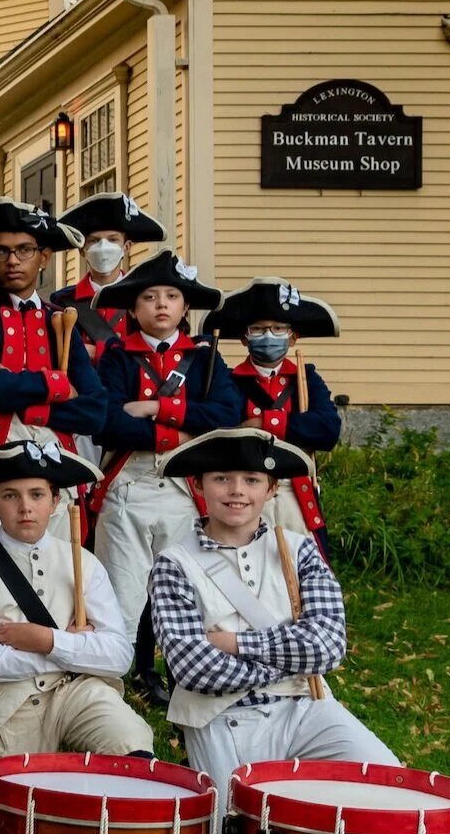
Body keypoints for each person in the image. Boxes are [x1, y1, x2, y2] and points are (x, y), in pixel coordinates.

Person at [146, 428, 395, 785]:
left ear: (272, 488)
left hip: (306, 708)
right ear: (197, 486)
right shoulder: (174, 564)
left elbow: (329, 647)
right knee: (234, 829)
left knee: (387, 780)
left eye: (251, 479)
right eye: (221, 479)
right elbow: (195, 670)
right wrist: (293, 661)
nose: (237, 491)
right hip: (222, 717)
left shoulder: (300, 551)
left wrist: (237, 644)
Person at [0, 439, 153, 762]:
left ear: (55, 501)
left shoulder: (83, 563)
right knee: (20, 800)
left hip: (75, 690)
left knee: (131, 739)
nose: (25, 507)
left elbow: (118, 655)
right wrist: (66, 649)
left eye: (37, 494)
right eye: (10, 496)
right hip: (6, 703)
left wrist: (46, 640)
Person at [88, 251, 236, 626]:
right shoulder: (117, 358)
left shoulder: (205, 359)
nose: (161, 305)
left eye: (170, 296)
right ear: (133, 310)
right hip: (128, 483)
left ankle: (180, 676)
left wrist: (155, 410)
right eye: (149, 297)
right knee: (121, 590)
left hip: (185, 485)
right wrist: (184, 432)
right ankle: (112, 677)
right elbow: (108, 422)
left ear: (185, 306)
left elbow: (226, 415)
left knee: (185, 590)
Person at [0, 201, 106, 465]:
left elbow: (94, 412)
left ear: (44, 257)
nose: (13, 260)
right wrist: (56, 384)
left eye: (24, 250)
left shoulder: (60, 320)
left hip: (57, 456)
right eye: (1, 251)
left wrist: (18, 399)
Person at [204, 279, 342, 546]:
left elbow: (327, 430)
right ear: (244, 337)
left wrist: (262, 422)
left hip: (295, 491)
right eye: (258, 329)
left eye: (278, 328)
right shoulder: (229, 380)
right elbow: (225, 426)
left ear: (293, 337)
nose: (269, 335)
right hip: (244, 491)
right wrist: (291, 426)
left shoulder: (306, 378)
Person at [51, 191, 169, 352]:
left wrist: (96, 352)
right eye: (94, 240)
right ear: (82, 250)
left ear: (126, 247)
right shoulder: (62, 301)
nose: (103, 247)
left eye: (113, 239)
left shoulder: (144, 297)